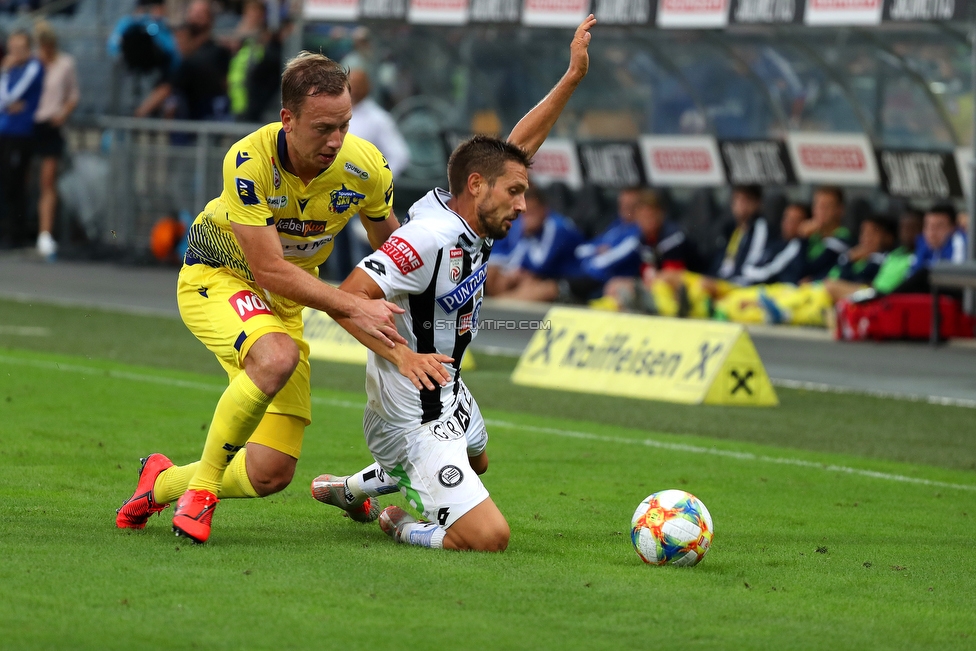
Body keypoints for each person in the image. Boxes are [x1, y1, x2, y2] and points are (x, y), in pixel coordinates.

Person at [115, 52, 448, 544]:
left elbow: (392, 253)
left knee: (270, 472)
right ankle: (202, 491)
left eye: (344, 125)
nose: (335, 141)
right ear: (287, 120)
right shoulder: (248, 161)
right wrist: (352, 303)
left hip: (286, 302)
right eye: (322, 128)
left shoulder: (364, 167)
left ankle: (160, 483)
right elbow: (270, 267)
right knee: (276, 356)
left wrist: (429, 314)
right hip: (221, 276)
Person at [310, 16, 597, 552]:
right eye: (515, 193)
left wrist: (572, 77)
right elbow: (347, 297)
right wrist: (402, 357)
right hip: (410, 414)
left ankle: (349, 489)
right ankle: (398, 522)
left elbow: (516, 149)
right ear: (475, 185)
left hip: (447, 388)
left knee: (478, 458)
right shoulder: (429, 238)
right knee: (489, 538)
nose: (522, 204)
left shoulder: (474, 215)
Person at [32, 20, 79, 261]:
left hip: (51, 125)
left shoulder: (65, 64)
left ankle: (44, 233)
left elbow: (72, 95)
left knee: (47, 180)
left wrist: (63, 114)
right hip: (29, 125)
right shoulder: (32, 64)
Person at [485, 184, 582, 299]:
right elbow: (511, 258)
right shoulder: (526, 230)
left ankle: (497, 310)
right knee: (493, 275)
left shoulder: (556, 227)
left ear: (544, 209)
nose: (527, 219)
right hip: (542, 276)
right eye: (525, 214)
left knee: (529, 287)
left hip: (570, 280)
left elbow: (540, 263)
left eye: (532, 213)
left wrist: (518, 274)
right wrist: (512, 273)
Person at [0, 29, 43, 250]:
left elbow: (11, 95)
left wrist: (6, 73)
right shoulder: (10, 70)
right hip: (4, 130)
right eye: (12, 48)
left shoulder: (33, 67)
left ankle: (16, 234)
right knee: (4, 182)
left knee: (14, 183)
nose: (15, 53)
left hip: (21, 133)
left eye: (19, 48)